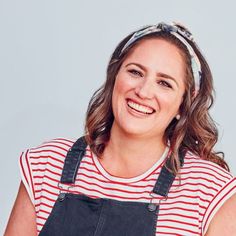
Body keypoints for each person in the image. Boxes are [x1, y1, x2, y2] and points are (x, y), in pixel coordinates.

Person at [4, 22, 236, 236]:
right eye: (135, 72)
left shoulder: (210, 191)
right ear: (115, 76)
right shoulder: (47, 164)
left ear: (183, 104)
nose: (143, 92)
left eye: (164, 83)